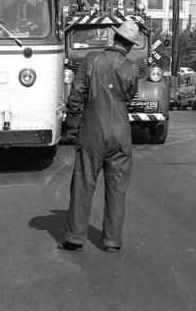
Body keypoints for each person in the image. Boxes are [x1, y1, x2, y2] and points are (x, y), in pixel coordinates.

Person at [59, 19, 139, 253]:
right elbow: (129, 97)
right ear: (130, 46)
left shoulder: (92, 59)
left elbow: (76, 95)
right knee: (117, 186)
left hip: (93, 129)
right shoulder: (131, 67)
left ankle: (75, 237)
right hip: (122, 133)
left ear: (114, 38)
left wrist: (72, 128)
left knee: (84, 182)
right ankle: (112, 241)